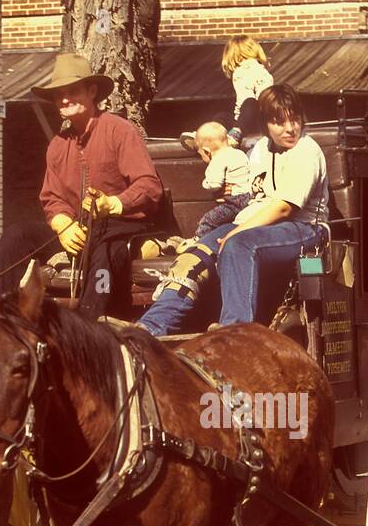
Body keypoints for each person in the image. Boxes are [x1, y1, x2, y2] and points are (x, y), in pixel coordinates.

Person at [138, 84, 330, 337]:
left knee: (239, 245)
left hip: (304, 229)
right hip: (255, 224)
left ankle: (235, 331)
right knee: (195, 255)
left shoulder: (307, 150)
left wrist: (235, 232)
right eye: (279, 122)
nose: (290, 128)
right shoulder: (259, 150)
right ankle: (149, 328)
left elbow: (284, 208)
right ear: (265, 125)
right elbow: (251, 195)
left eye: (294, 119)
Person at [0, 53, 163, 320]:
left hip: (121, 226)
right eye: (58, 94)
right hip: (77, 230)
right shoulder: (58, 145)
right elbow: (52, 197)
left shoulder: (120, 130)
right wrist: (62, 224)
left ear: (92, 91)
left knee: (103, 247)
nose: (63, 99)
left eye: (72, 91)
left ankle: (89, 324)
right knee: (17, 235)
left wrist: (113, 203)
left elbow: (149, 186)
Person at [192, 121, 252, 239]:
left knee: (208, 220)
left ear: (206, 151)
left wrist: (205, 183)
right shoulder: (239, 153)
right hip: (248, 197)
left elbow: (214, 184)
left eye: (201, 155)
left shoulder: (217, 160)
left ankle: (200, 240)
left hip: (234, 201)